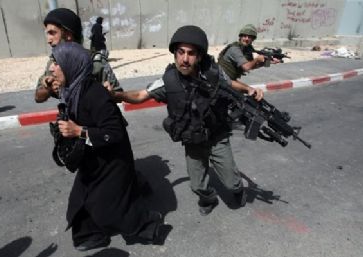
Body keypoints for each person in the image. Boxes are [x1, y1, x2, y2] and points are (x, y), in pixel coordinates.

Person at [113, 25, 264, 216]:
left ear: (199, 56)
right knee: (197, 185)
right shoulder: (168, 81)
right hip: (193, 140)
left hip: (217, 136)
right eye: (181, 52)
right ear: (175, 54)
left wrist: (249, 88)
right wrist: (115, 95)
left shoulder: (213, 73)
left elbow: (230, 83)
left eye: (191, 53)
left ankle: (238, 190)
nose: (185, 59)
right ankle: (209, 198)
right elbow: (140, 95)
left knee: (232, 183)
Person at [49, 41, 163, 251]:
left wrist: (79, 131)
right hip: (93, 157)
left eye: (56, 64)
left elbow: (115, 133)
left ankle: (149, 226)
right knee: (80, 198)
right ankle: (88, 235)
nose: (51, 68)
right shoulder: (73, 91)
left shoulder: (95, 94)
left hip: (113, 160)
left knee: (112, 208)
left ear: (71, 65)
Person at [35, 8, 121, 104]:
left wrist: (107, 93)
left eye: (52, 33)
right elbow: (38, 97)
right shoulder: (54, 63)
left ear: (68, 34)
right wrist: (48, 89)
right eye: (47, 33)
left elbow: (119, 94)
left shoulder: (95, 62)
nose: (49, 40)